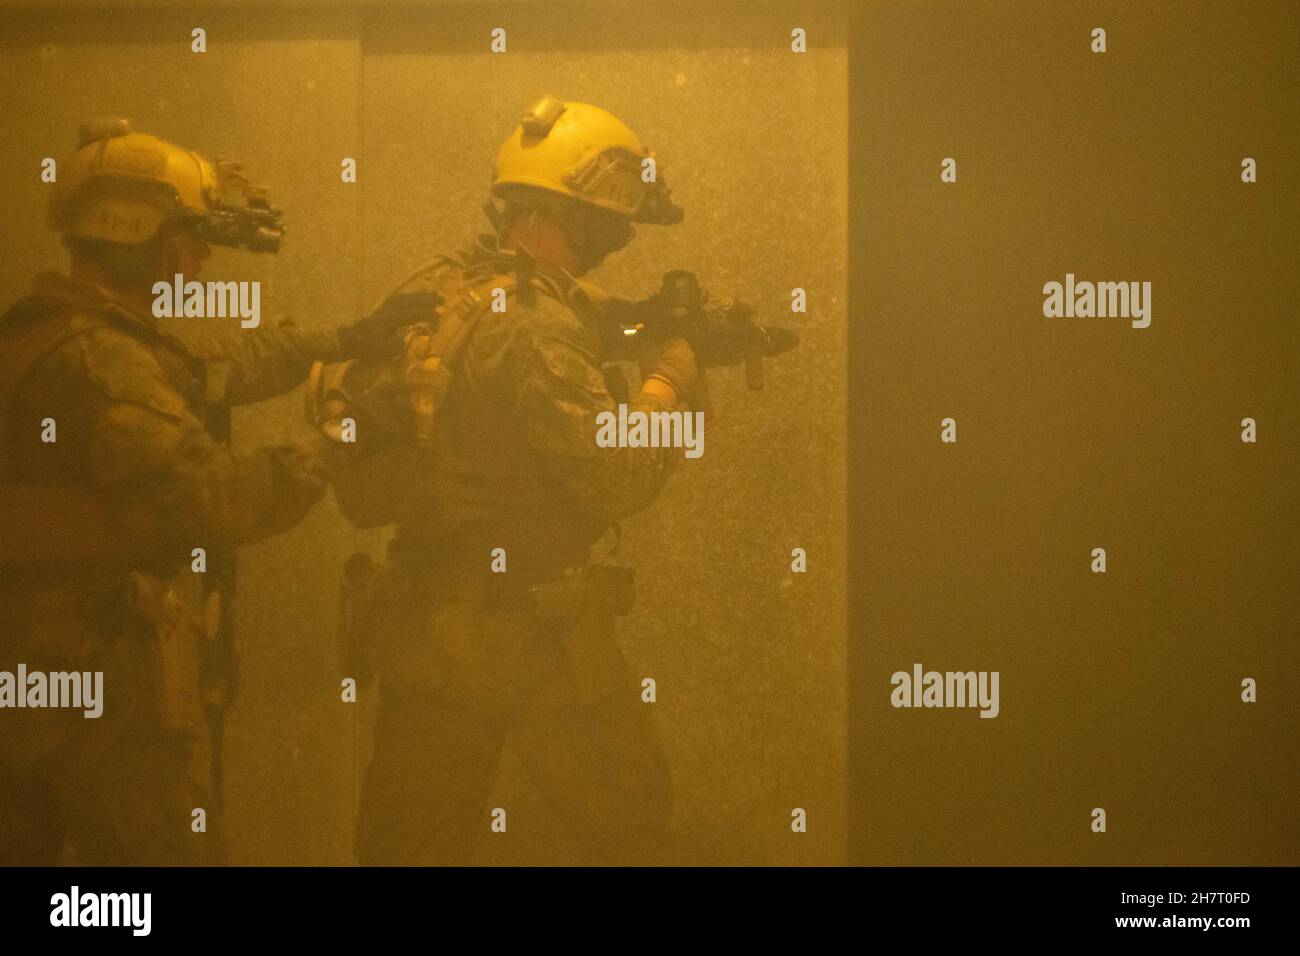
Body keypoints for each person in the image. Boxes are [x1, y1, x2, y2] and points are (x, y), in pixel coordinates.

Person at [0, 118, 397, 865]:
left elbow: (218, 360)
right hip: (87, 680)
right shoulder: (103, 363)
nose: (200, 258)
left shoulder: (50, 332)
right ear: (140, 232)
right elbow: (217, 499)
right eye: (190, 237)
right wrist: (346, 434)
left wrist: (347, 339)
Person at [336, 96, 707, 865]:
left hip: (429, 636)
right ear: (572, 214)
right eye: (609, 220)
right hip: (536, 644)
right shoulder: (536, 327)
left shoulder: (445, 291)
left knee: (407, 849)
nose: (619, 236)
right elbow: (618, 476)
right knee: (634, 826)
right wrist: (669, 380)